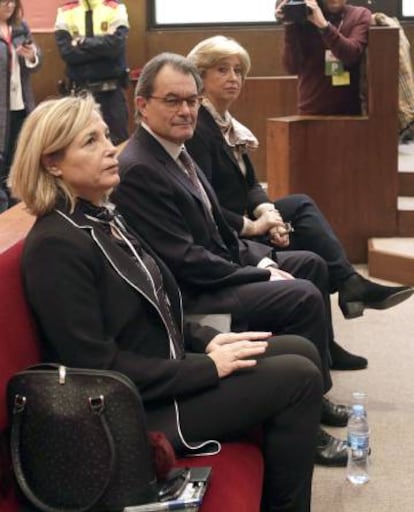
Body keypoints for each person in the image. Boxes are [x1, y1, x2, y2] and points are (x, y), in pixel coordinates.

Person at [9, 94, 324, 512]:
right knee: (298, 376)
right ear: (52, 163)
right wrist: (205, 367)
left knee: (300, 349)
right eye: (89, 142)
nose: (110, 147)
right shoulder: (56, 245)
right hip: (135, 407)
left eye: (105, 135)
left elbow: (160, 305)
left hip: (165, 370)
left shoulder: (103, 217)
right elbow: (98, 370)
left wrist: (207, 340)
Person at [112, 52, 351, 467]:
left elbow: (219, 232)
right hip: (194, 295)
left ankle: (316, 393)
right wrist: (256, 273)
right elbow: (184, 260)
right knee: (302, 295)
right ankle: (307, 426)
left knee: (309, 264)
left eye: (191, 100)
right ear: (142, 104)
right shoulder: (140, 168)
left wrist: (260, 263)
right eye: (173, 100)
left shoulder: (178, 150)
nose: (186, 110)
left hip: (214, 269)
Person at [185, 35, 413, 370]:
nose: (234, 77)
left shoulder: (226, 124)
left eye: (239, 71)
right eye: (222, 70)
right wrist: (254, 225)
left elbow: (251, 185)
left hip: (245, 218)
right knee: (309, 247)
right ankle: (349, 288)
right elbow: (205, 205)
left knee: (299, 207)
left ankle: (344, 298)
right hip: (226, 231)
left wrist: (269, 212)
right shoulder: (197, 128)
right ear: (200, 77)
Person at [275, 0, 372, 115]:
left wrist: (323, 25)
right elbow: (292, 67)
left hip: (350, 114)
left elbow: (351, 55)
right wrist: (290, 22)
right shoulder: (305, 16)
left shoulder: (359, 15)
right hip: (310, 112)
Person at [54, 0, 130, 145]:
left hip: (111, 96)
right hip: (78, 95)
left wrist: (82, 43)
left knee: (118, 149)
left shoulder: (116, 8)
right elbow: (68, 53)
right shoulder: (65, 11)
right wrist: (101, 48)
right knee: (79, 146)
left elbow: (114, 47)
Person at [0, 0, 40, 212]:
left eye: (13, 2)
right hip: (1, 111)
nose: (9, 6)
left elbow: (37, 61)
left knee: (19, 163)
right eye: (4, 2)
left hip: (22, 106)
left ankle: (17, 212)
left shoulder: (20, 27)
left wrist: (32, 55)